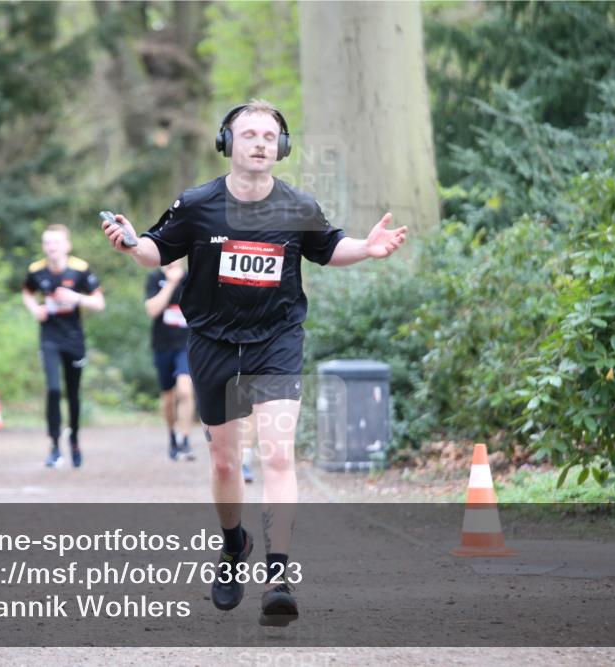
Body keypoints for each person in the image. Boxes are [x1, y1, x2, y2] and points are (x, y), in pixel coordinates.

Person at [102, 100, 406, 626]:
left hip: (276, 338)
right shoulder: (197, 204)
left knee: (278, 455)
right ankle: (233, 544)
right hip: (213, 340)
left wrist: (368, 247)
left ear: (281, 148)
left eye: (271, 135)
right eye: (250, 134)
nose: (261, 143)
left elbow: (330, 248)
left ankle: (279, 574)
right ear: (228, 143)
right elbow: (157, 249)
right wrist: (131, 245)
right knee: (224, 461)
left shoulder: (297, 206)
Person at [22, 224, 105, 468]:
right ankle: (54, 446)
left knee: (72, 394)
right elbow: (27, 293)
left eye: (56, 243)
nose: (52, 248)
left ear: (67, 246)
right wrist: (34, 309)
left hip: (74, 338)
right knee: (53, 389)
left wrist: (76, 298)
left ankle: (75, 440)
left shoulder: (80, 269)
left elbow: (100, 303)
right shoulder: (36, 271)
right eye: (47, 243)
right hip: (49, 337)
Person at [144, 258, 198, 461]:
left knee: (185, 390)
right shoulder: (154, 278)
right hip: (163, 344)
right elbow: (152, 310)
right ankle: (172, 436)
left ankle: (185, 439)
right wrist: (171, 283)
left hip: (187, 344)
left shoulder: (192, 278)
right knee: (168, 397)